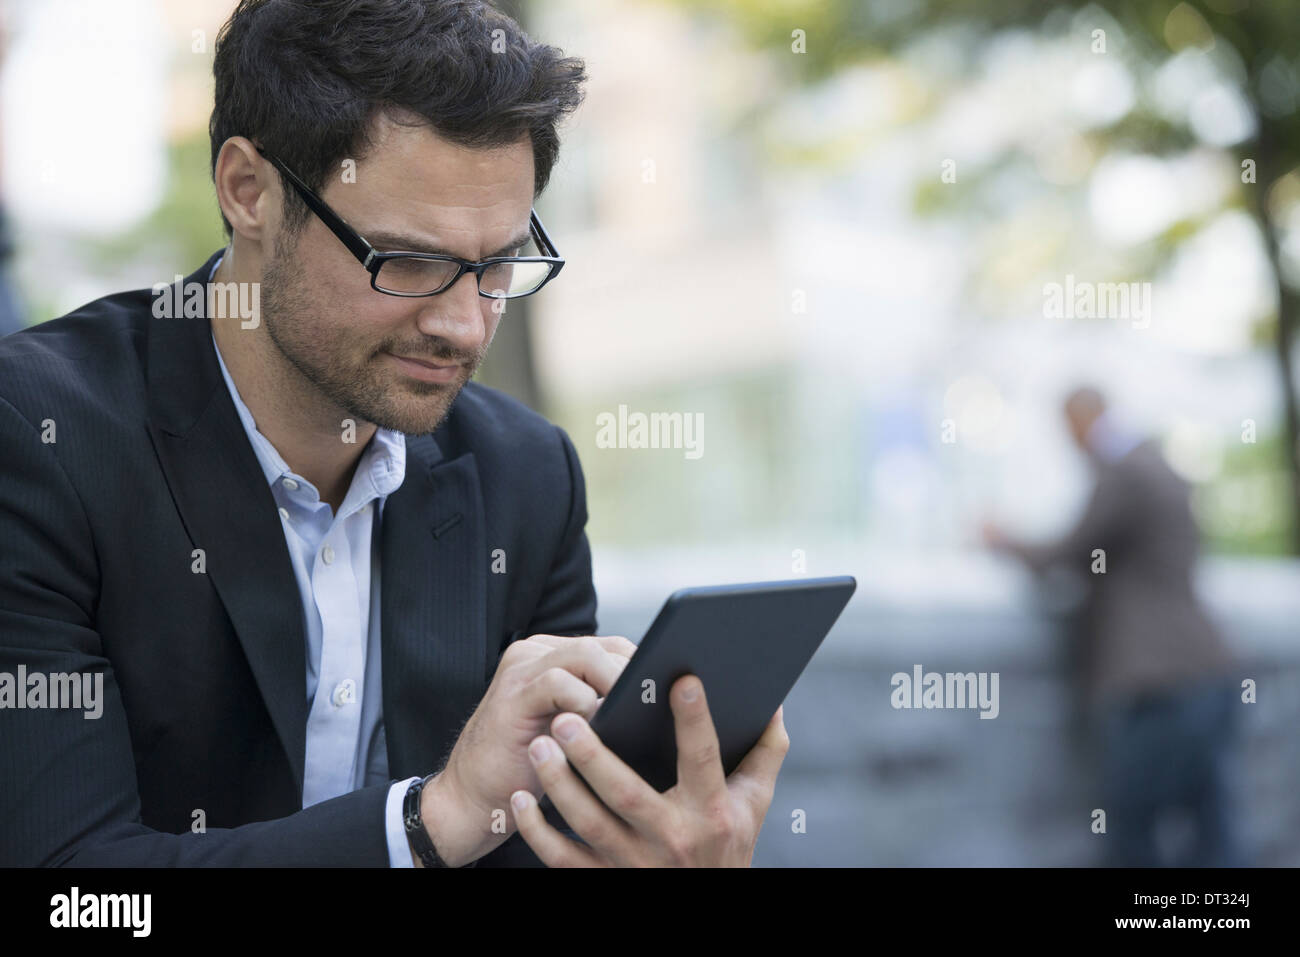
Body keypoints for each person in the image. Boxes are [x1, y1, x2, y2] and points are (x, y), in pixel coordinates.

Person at [0, 0, 787, 868]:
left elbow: (534, 846)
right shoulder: (38, 437)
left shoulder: (526, 477)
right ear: (248, 191)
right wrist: (426, 822)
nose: (464, 325)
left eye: (498, 267)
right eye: (408, 261)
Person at [982, 386, 1242, 867]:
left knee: (1130, 824)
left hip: (1158, 686)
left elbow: (1067, 553)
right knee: (1213, 826)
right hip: (1209, 672)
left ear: (1084, 418)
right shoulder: (1157, 465)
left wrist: (1003, 541)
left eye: (1068, 425)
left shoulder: (1123, 472)